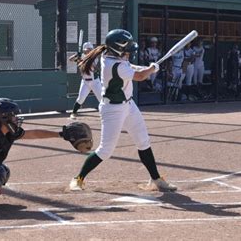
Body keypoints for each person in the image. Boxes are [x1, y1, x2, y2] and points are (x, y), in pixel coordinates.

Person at [68, 29, 177, 192]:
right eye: (126, 50)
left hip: (128, 105)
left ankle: (156, 179)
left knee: (143, 141)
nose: (129, 53)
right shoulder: (114, 64)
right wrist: (151, 69)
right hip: (113, 109)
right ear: (118, 49)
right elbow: (139, 76)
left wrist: (146, 67)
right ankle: (78, 179)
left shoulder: (111, 55)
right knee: (105, 150)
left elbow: (130, 66)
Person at [69, 42, 102, 119]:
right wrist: (76, 55)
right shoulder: (81, 56)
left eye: (90, 50)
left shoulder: (94, 57)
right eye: (87, 50)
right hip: (85, 82)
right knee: (80, 98)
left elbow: (91, 65)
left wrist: (81, 59)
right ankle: (73, 113)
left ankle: (104, 113)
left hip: (95, 82)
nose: (89, 51)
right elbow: (70, 59)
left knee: (101, 99)